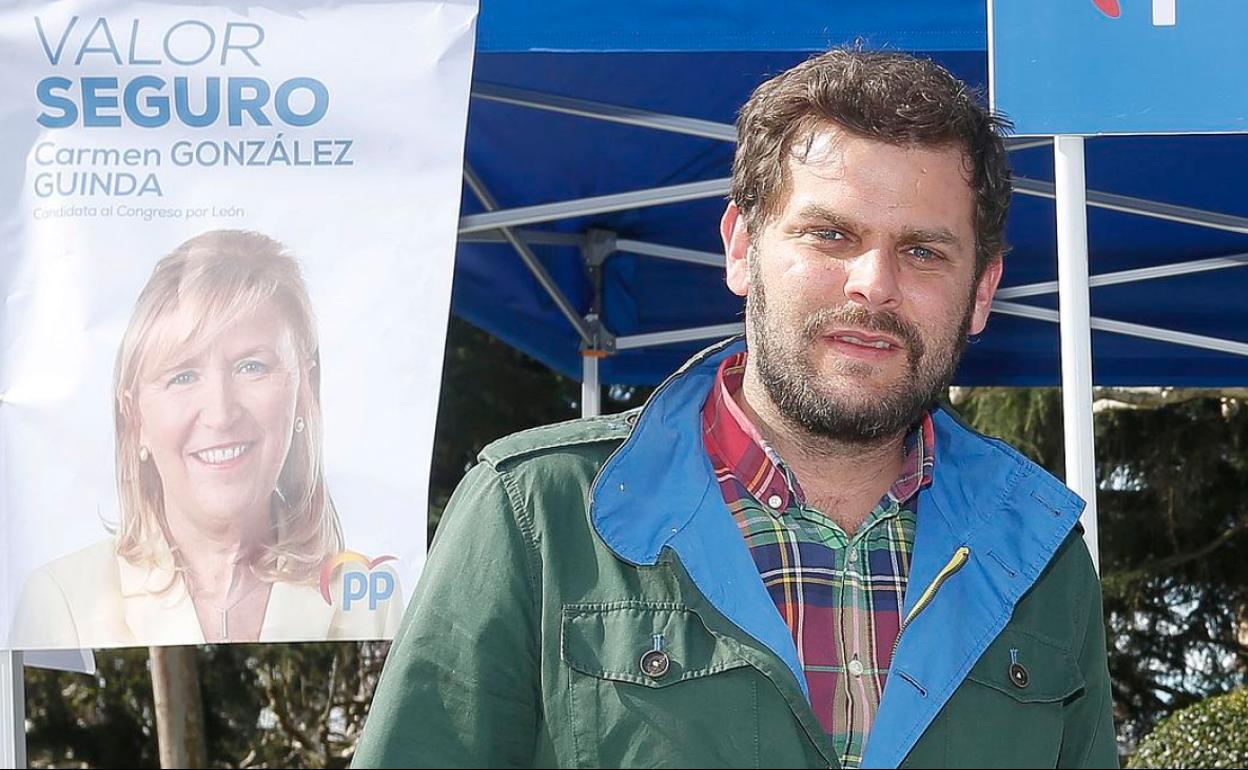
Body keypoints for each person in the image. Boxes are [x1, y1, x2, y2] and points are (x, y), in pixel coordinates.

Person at [353, 50, 1117, 769]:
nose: (872, 285)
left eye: (923, 251)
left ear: (981, 290)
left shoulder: (1040, 554)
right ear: (741, 248)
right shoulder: (535, 514)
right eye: (830, 234)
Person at [10, 230, 402, 649]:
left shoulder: (370, 599)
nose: (220, 413)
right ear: (134, 416)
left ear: (305, 387)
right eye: (183, 376)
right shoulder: (62, 601)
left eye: (252, 367)